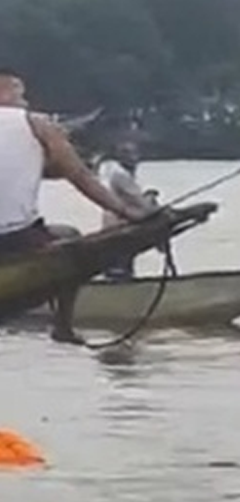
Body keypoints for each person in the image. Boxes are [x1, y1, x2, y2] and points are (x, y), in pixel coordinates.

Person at [0, 68, 148, 343]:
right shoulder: (37, 123)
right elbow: (79, 177)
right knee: (71, 239)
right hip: (14, 237)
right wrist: (125, 211)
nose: (26, 101)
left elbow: (37, 170)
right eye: (20, 93)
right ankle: (63, 326)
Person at [96, 138, 159, 281]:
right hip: (120, 225)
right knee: (121, 261)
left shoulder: (112, 171)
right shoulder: (121, 175)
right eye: (129, 154)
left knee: (119, 260)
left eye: (134, 153)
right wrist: (150, 197)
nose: (134, 158)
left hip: (112, 223)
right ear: (121, 156)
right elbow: (142, 204)